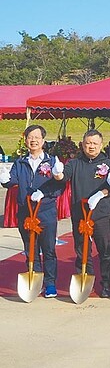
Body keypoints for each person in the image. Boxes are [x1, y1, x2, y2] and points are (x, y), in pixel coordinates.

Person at [51, 129, 110, 298]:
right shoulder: (74, 163)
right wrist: (57, 173)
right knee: (82, 250)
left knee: (105, 250)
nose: (91, 146)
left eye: (95, 143)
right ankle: (85, 278)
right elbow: (64, 176)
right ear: (82, 144)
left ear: (101, 145)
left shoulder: (108, 163)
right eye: (88, 143)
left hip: (101, 214)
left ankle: (106, 284)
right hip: (80, 214)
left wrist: (102, 193)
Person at [0, 125, 64, 298]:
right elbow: (11, 181)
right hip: (25, 212)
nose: (33, 140)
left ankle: (50, 283)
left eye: (37, 137)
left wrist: (45, 193)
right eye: (30, 137)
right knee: (30, 248)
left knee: (48, 248)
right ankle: (35, 277)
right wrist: (4, 179)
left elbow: (59, 186)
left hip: (45, 211)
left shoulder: (51, 162)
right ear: (26, 140)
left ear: (43, 141)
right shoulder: (20, 162)